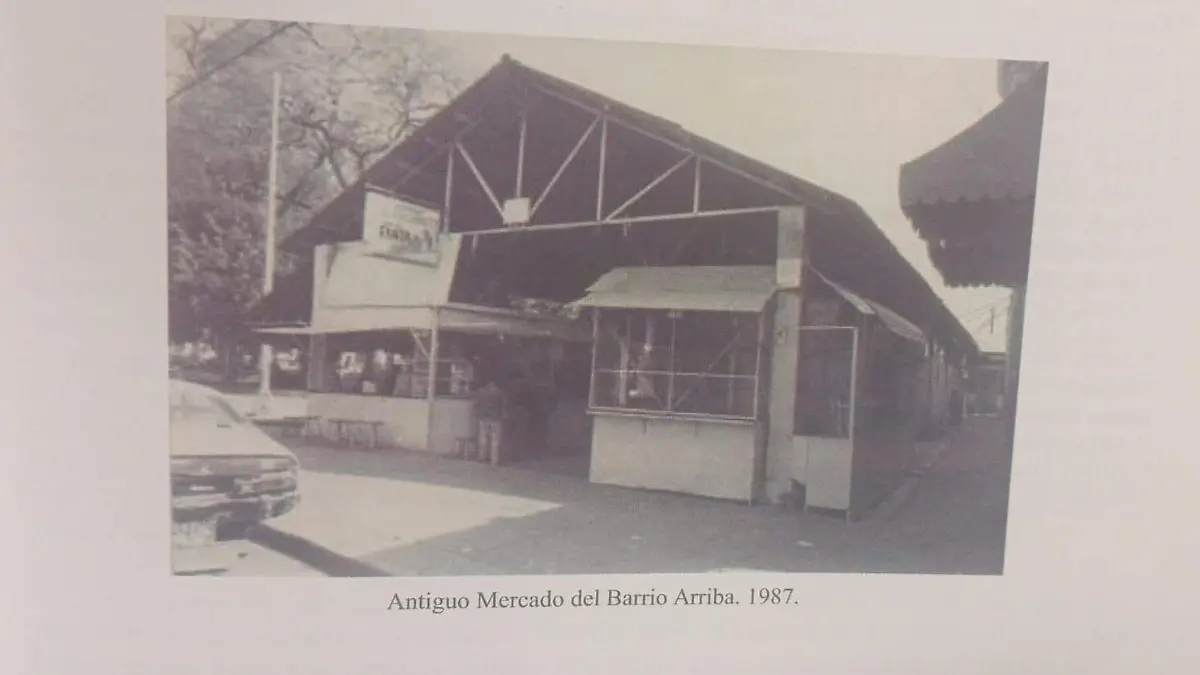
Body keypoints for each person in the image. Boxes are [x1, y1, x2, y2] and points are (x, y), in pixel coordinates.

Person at [472, 378, 507, 465]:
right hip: (496, 419)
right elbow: (504, 406)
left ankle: (482, 457)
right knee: (495, 440)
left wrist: (476, 414)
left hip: (483, 418)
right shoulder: (500, 393)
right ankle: (494, 460)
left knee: (482, 438)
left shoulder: (480, 392)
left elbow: (475, 404)